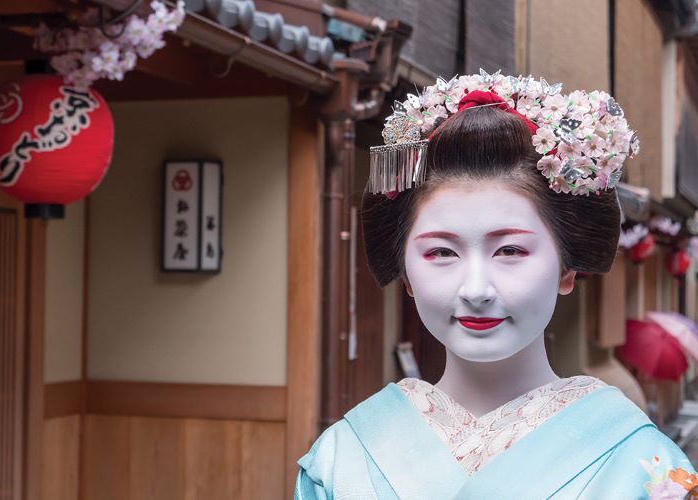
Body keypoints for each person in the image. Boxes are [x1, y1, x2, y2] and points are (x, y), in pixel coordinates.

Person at [294, 71, 697, 499]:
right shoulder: (340, 459)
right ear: (407, 274)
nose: (476, 289)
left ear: (567, 268)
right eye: (441, 253)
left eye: (509, 251)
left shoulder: (645, 467)